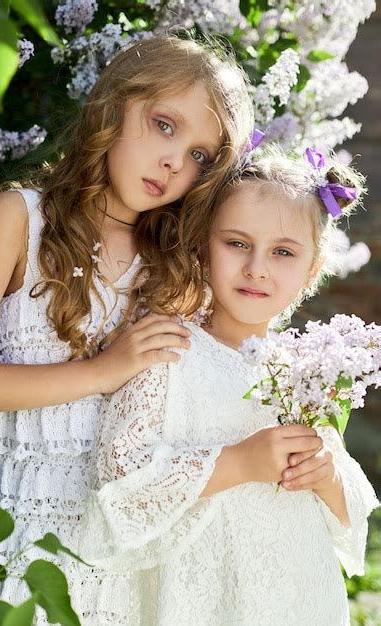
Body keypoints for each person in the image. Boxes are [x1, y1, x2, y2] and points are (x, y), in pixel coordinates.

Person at [0, 35, 253, 622]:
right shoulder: (20, 220)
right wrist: (100, 372)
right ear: (113, 104)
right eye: (165, 125)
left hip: (130, 554)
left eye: (201, 154)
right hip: (23, 542)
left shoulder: (179, 265)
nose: (176, 162)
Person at [80, 145, 379, 625]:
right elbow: (121, 479)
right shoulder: (169, 350)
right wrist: (239, 461)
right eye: (237, 243)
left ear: (311, 272)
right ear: (203, 247)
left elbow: (352, 516)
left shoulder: (304, 372)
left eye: (283, 252)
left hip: (297, 595)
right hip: (211, 597)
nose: (257, 267)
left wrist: (324, 475)